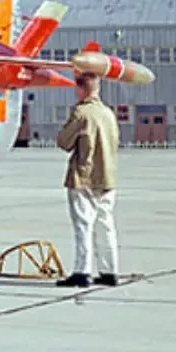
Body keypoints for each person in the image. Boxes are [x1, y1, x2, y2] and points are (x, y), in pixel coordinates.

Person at [55, 71, 120, 287]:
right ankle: (109, 271)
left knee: (84, 225)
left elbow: (64, 142)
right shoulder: (108, 113)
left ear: (80, 89)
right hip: (108, 176)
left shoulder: (81, 113)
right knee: (105, 224)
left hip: (85, 176)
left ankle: (82, 272)